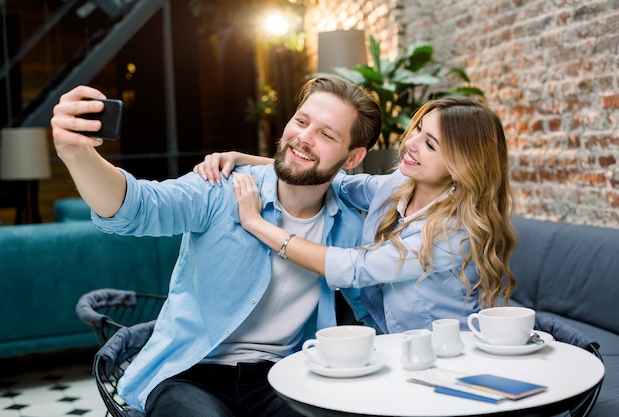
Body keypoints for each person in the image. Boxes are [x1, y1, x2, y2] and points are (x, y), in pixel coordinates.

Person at [50, 76, 382, 417]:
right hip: (190, 373)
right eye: (301, 121)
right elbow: (137, 207)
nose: (304, 138)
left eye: (327, 134)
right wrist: (78, 155)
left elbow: (374, 311)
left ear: (353, 157)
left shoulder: (350, 223)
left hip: (286, 377)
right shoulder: (220, 187)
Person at [195, 96, 518, 334]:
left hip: (450, 356)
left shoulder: (453, 233)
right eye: (417, 129)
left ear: (464, 165)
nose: (412, 143)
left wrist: (256, 223)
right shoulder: (398, 184)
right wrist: (243, 158)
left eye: (430, 144)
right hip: (398, 346)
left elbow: (354, 268)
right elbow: (336, 178)